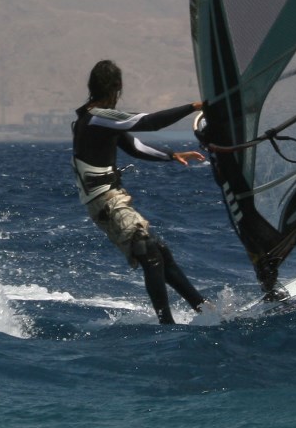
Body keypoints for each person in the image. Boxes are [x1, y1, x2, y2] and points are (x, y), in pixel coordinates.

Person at [71, 60, 212, 324]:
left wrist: (172, 155)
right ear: (117, 87)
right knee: (148, 251)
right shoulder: (98, 117)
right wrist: (192, 107)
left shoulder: (96, 119)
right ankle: (166, 324)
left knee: (159, 251)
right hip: (105, 201)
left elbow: (134, 146)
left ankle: (205, 309)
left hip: (110, 199)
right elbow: (149, 122)